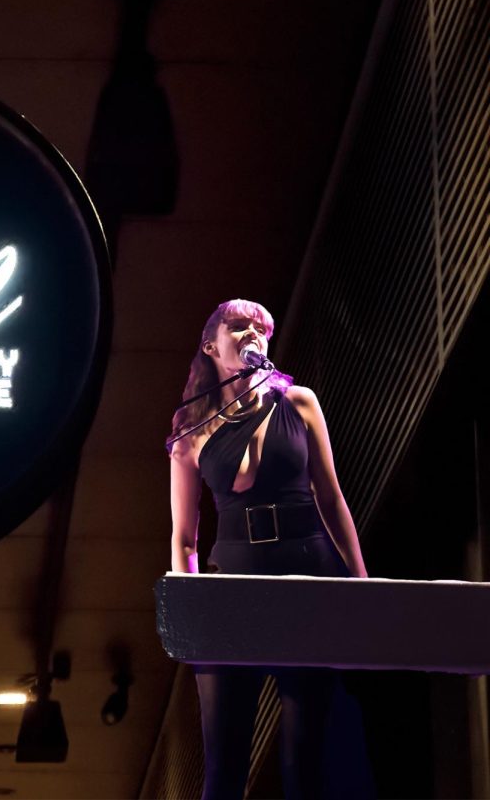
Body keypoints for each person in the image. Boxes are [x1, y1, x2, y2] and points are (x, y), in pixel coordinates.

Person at [167, 299, 367, 800]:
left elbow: (330, 496)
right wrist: (190, 609)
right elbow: (185, 537)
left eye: (263, 328)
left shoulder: (298, 402)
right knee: (224, 767)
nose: (255, 333)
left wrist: (364, 586)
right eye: (240, 326)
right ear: (212, 345)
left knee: (306, 760)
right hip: (233, 590)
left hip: (309, 576)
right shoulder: (191, 434)